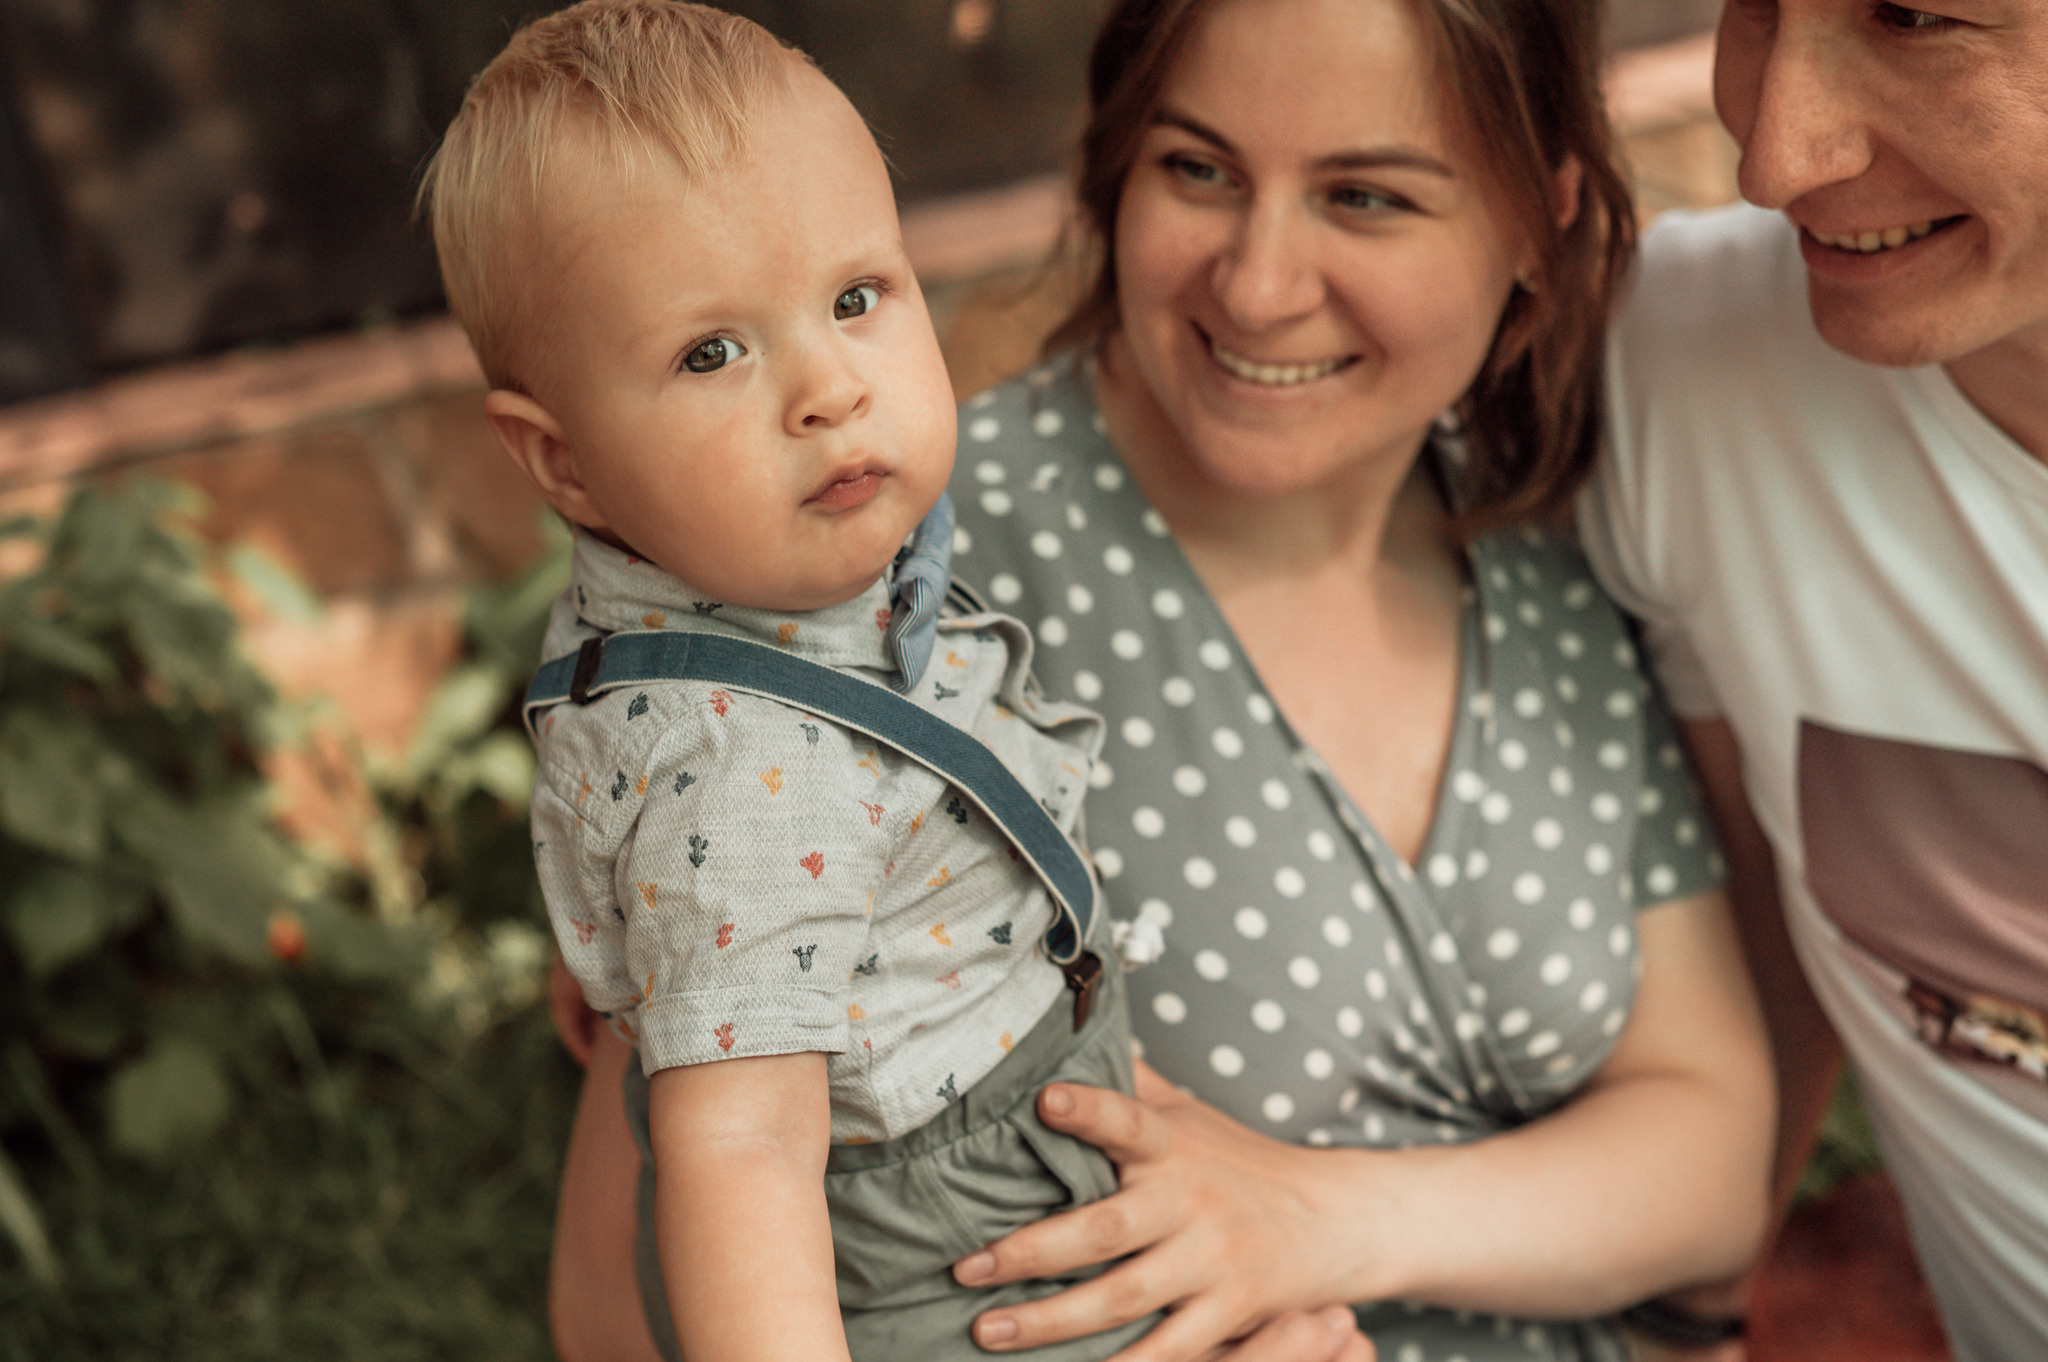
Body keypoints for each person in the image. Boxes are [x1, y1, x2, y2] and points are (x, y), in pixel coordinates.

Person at [540, 0, 1776, 1359]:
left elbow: (1714, 1161)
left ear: (1536, 223)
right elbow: (626, 1298)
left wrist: (1319, 1218)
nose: (1257, 284)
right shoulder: (874, 588)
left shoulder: (1531, 528)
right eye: (1198, 169)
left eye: (1365, 195)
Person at [418, 4, 1169, 1359]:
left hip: (1000, 1112)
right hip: (949, 1258)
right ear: (567, 464)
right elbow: (748, 1148)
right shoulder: (750, 772)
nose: (829, 386)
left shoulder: (726, 579)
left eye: (855, 297)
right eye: (712, 351)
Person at [1577, 2, 2048, 1358]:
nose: (1772, 157)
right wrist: (1693, 1318)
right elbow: (1772, 923)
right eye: (1753, 7)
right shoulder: (1690, 364)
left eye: (1914, 15)